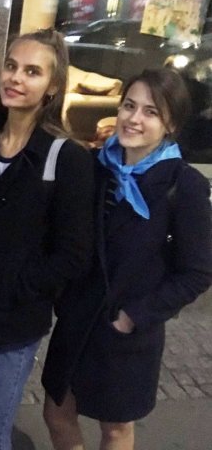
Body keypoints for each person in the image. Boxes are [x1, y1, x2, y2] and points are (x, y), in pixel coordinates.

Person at [42, 68, 212, 450]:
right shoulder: (97, 166)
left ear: (170, 124)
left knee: (116, 429)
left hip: (127, 331)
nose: (134, 119)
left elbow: (197, 273)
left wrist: (133, 316)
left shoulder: (183, 185)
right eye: (129, 106)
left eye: (151, 112)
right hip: (78, 318)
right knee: (56, 412)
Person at [0, 29, 94, 450]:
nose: (15, 78)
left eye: (32, 72)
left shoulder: (65, 157)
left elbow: (74, 254)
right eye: (11, 66)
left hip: (16, 321)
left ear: (52, 86)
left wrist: (19, 286)